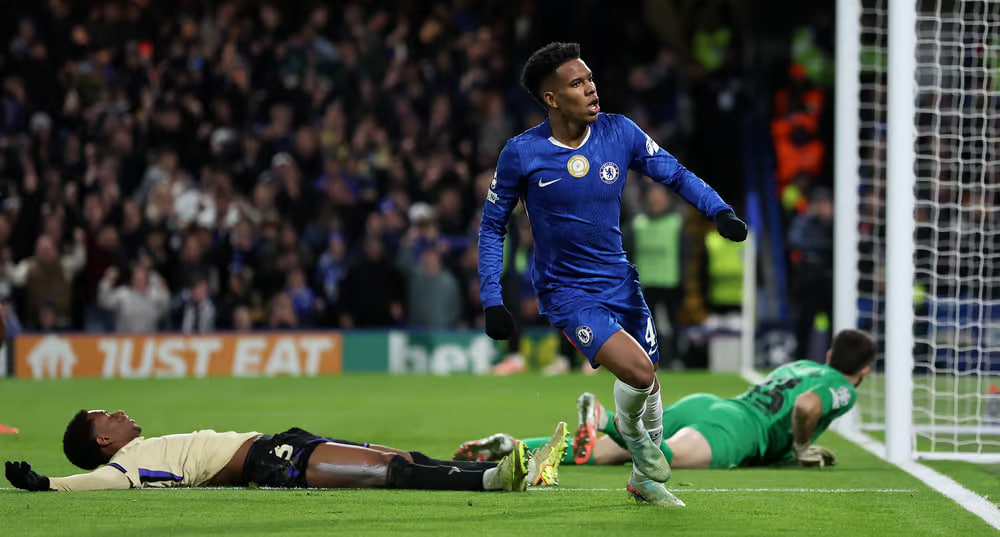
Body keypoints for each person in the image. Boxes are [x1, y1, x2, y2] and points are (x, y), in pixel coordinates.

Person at [477, 42, 747, 506]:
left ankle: (644, 481)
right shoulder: (522, 153)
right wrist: (492, 298)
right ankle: (628, 433)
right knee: (639, 372)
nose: (591, 89)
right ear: (552, 98)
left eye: (590, 79)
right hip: (567, 291)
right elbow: (491, 227)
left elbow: (675, 173)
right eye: (577, 83)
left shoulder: (619, 131)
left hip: (620, 280)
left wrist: (718, 210)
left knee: (650, 381)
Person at [454, 329, 875, 482]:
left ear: (830, 353)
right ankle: (606, 417)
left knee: (603, 453)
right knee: (658, 460)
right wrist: (801, 448)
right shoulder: (843, 386)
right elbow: (805, 407)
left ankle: (513, 448)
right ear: (865, 370)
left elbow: (793, 402)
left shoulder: (804, 366)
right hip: (735, 432)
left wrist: (794, 449)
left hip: (708, 406)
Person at [4, 411, 569, 493]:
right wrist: (48, 484)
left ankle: (517, 470)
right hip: (268, 461)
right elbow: (103, 483)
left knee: (409, 457)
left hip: (279, 443)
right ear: (103, 439)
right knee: (389, 471)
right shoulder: (124, 464)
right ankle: (495, 480)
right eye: (107, 416)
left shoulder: (143, 446)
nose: (120, 412)